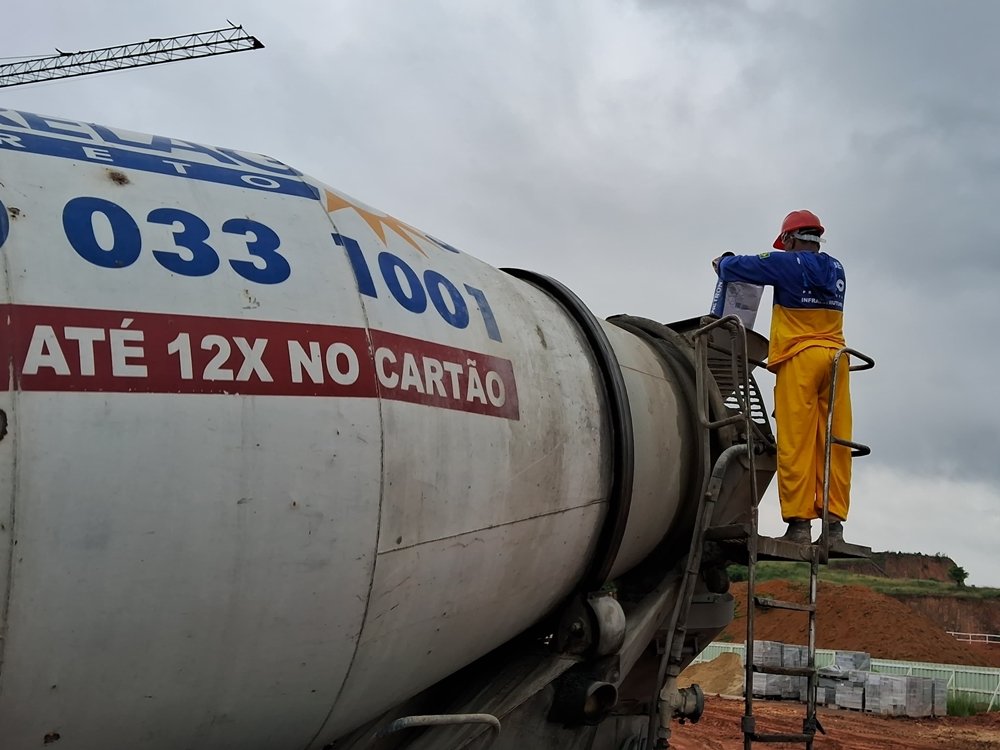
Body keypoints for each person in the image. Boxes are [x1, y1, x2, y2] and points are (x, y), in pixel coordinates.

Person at [713, 210, 852, 546]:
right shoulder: (837, 268)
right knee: (833, 444)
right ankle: (834, 527)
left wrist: (723, 261)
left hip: (800, 359)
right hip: (837, 360)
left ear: (789, 239)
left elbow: (736, 266)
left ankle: (799, 526)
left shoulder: (786, 263)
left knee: (796, 443)